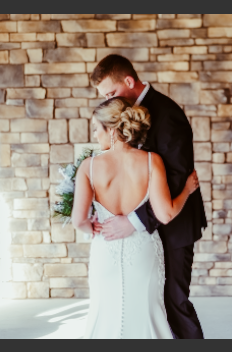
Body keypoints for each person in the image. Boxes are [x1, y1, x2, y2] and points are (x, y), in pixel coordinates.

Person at [86, 54, 209, 338]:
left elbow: (177, 177)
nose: (108, 101)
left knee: (174, 302)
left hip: (173, 226)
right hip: (145, 236)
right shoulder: (124, 115)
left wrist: (134, 221)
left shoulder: (167, 115)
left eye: (111, 93)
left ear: (129, 81)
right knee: (146, 303)